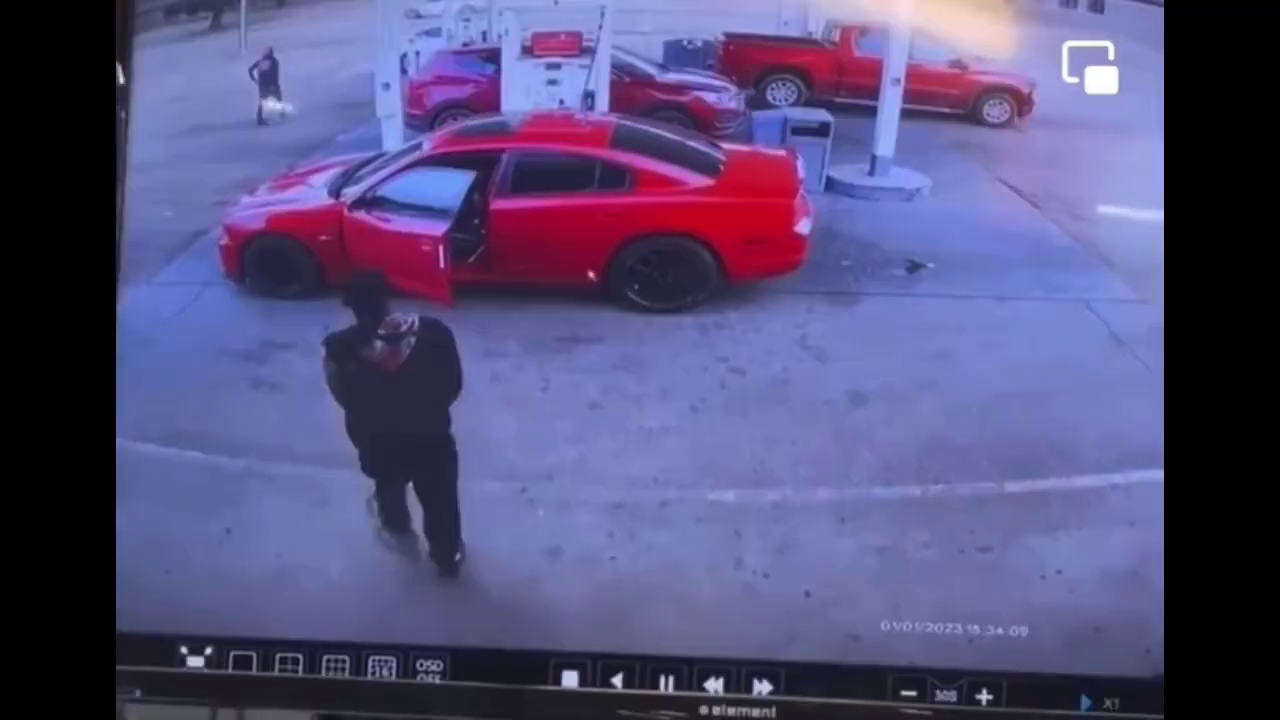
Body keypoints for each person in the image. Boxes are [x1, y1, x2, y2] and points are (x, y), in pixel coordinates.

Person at [322, 271, 467, 577]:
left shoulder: (338, 348)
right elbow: (453, 385)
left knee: (388, 483)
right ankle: (447, 556)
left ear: (352, 307)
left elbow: (341, 394)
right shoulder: (434, 332)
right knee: (441, 501)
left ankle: (397, 525)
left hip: (378, 440)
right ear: (387, 299)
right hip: (431, 437)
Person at [248, 46, 283, 126]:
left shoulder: (261, 61)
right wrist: (276, 85)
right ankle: (282, 114)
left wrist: (254, 79)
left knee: (262, 101)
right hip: (271, 84)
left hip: (262, 85)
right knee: (279, 97)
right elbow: (275, 74)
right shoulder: (274, 61)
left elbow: (250, 70)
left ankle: (259, 118)